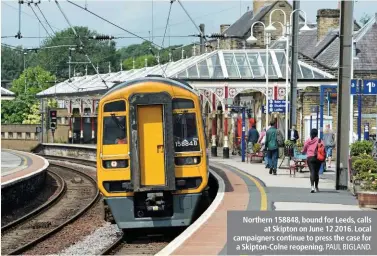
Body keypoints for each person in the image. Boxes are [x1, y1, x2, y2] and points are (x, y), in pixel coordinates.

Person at [302, 128, 323, 193]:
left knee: (312, 172)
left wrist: (303, 152)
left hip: (310, 158)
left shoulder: (308, 141)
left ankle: (312, 187)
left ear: (310, 133)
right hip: (318, 158)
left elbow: (304, 149)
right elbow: (322, 148)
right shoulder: (319, 140)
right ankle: (316, 187)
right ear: (317, 134)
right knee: (316, 172)